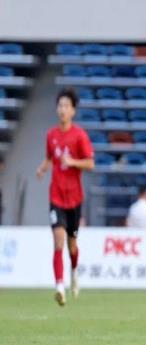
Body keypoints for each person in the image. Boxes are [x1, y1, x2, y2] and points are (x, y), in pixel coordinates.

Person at [36, 88, 95, 306]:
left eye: (66, 106)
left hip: (74, 199)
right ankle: (59, 286)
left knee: (72, 246)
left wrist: (73, 162)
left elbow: (90, 163)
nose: (62, 109)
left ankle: (74, 271)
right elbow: (50, 157)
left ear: (73, 111)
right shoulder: (51, 135)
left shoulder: (79, 136)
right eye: (60, 105)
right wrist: (43, 168)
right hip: (56, 196)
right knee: (58, 240)